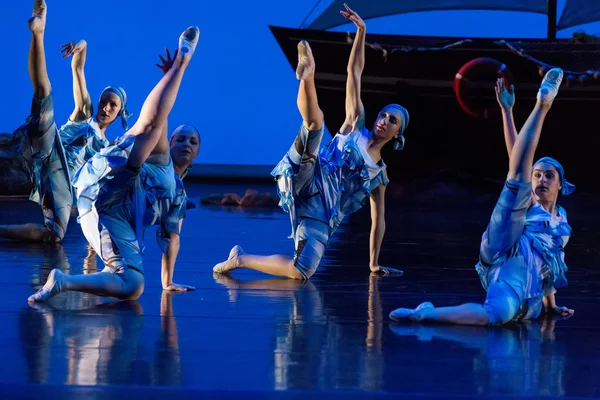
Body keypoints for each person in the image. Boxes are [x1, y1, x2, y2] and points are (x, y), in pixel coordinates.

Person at [213, 4, 407, 279]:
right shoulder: (356, 125)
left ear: (397, 133)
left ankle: (240, 259)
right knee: (315, 125)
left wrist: (373, 262)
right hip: (309, 173)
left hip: (322, 213)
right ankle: (308, 75)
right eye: (384, 114)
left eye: (393, 120)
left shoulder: (379, 175)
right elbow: (355, 73)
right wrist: (361, 32)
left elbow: (379, 221)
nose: (384, 120)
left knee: (302, 270)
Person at [389, 68, 575, 325]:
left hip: (518, 282)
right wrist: (507, 113)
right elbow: (517, 162)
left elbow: (551, 264)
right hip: (503, 244)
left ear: (560, 184)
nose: (542, 179)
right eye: (538, 175)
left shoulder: (562, 221)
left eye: (548, 176)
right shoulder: (529, 199)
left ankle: (424, 313)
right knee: (517, 176)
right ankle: (542, 105)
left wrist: (550, 306)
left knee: (496, 316)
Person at [28, 26, 200, 302]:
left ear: (197, 154)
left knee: (133, 285)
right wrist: (172, 73)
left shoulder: (178, 196)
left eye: (192, 142)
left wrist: (167, 283)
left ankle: (63, 282)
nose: (185, 144)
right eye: (180, 138)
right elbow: (156, 119)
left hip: (109, 215)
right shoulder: (160, 154)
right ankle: (183, 63)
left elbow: (172, 239)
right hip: (115, 177)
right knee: (149, 133)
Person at [0, 0, 130, 243]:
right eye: (104, 101)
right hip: (50, 146)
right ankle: (38, 32)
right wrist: (82, 45)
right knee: (43, 93)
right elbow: (78, 69)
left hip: (60, 180)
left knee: (54, 235)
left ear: (120, 112)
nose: (105, 107)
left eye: (113, 105)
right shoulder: (85, 114)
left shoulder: (107, 150)